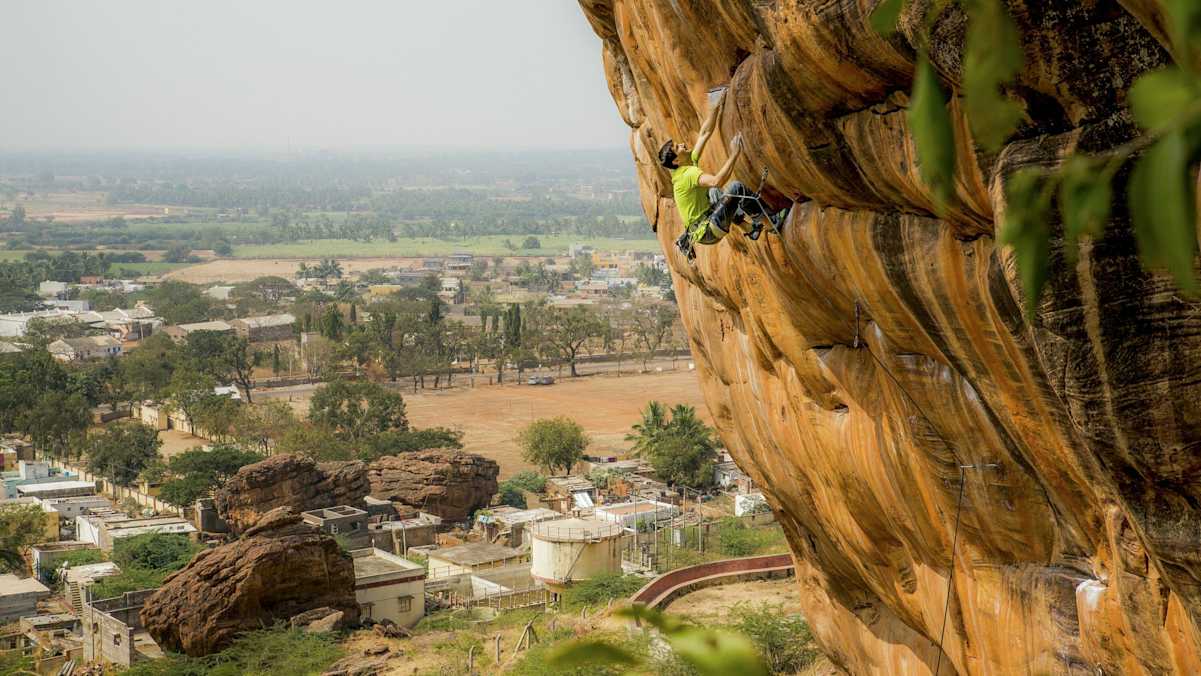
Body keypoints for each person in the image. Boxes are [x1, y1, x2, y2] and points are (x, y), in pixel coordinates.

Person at [658, 98, 787, 259]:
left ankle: (749, 229)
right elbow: (717, 180)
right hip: (708, 231)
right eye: (678, 147)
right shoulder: (687, 174)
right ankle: (772, 223)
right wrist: (735, 153)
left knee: (714, 193)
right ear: (676, 160)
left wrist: (716, 106)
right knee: (735, 188)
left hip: (704, 225)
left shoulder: (686, 163)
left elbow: (705, 132)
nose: (683, 144)